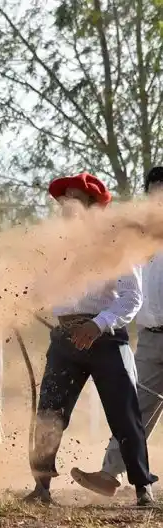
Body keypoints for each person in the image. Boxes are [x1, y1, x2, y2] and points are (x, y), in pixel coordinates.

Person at [25, 172, 157, 506]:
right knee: (49, 413)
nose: (66, 205)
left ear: (93, 206)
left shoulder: (118, 244)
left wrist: (98, 325)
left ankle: (143, 489)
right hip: (65, 338)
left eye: (75, 198)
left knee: (125, 413)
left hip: (107, 340)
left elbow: (131, 298)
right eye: (64, 198)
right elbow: (42, 289)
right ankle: (42, 488)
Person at [71, 166, 163, 498]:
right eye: (155, 192)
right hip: (151, 335)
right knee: (136, 409)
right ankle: (110, 474)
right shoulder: (133, 236)